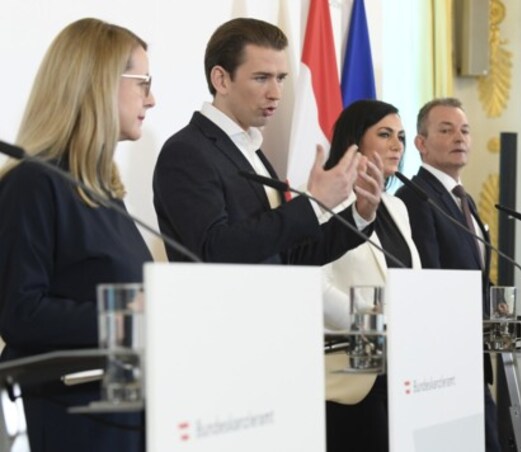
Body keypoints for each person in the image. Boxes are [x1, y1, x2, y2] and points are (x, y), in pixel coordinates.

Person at [0, 18, 156, 451]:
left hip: (124, 410)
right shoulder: (33, 183)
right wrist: (129, 316)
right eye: (143, 82)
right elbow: (20, 312)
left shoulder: (104, 191)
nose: (152, 98)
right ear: (100, 83)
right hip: (71, 418)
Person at [153, 18, 382, 265]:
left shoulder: (250, 148)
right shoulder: (187, 152)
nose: (276, 93)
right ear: (221, 79)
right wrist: (315, 203)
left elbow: (289, 256)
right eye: (262, 78)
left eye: (281, 78)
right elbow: (214, 250)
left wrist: (360, 214)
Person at [395, 97, 501, 452]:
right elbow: (431, 280)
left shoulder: (463, 199)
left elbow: (476, 274)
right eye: (446, 129)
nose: (460, 137)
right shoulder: (416, 197)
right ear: (421, 143)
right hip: (443, 361)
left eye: (465, 130)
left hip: (471, 352)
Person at [321, 100, 421, 452]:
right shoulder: (326, 199)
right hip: (350, 375)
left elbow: (408, 277)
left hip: (401, 370)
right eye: (384, 134)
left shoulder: (397, 206)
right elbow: (316, 286)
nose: (397, 145)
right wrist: (376, 324)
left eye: (402, 137)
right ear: (355, 141)